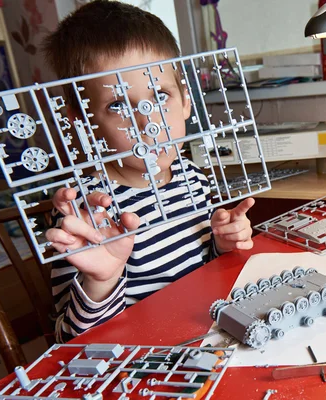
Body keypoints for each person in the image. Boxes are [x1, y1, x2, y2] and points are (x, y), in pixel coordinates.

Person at [43, 0, 254, 342]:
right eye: (117, 105)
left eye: (159, 96)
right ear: (83, 124)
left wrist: (222, 244)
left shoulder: (192, 177)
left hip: (210, 335)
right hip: (146, 362)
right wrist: (102, 280)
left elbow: (201, 269)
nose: (148, 122)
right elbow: (71, 340)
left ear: (186, 101)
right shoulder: (86, 215)